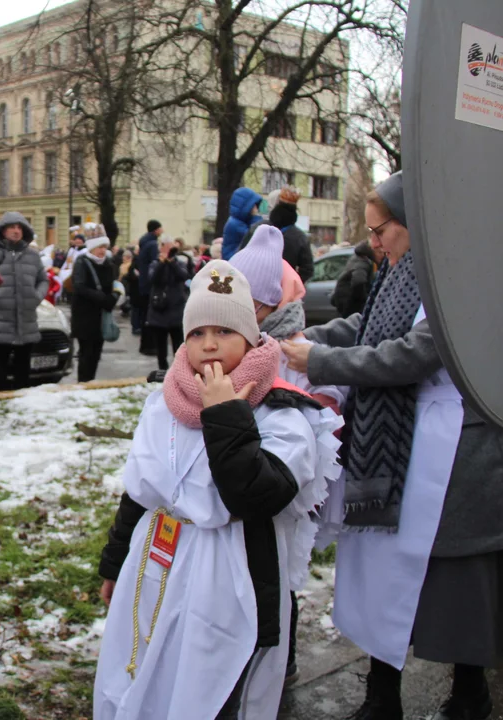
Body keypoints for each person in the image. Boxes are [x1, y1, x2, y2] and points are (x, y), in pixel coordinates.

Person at [281, 172, 503, 720]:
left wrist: (319, 361)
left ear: (416, 225)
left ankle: (470, 695)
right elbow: (368, 325)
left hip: (458, 459)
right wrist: (307, 337)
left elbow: (412, 352)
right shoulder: (401, 273)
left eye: (382, 231)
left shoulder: (459, 277)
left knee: (461, 586)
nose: (374, 243)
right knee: (387, 577)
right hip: (403, 451)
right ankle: (383, 697)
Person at [94, 259, 342, 720]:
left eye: (224, 332)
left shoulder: (282, 416)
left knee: (212, 693)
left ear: (250, 338)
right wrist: (114, 562)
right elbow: (140, 492)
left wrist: (226, 414)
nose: (208, 345)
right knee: (147, 672)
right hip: (155, 563)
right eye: (196, 333)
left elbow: (255, 495)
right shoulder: (164, 404)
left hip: (228, 576)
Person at [229, 223, 348, 685]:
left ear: (267, 304)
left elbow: (327, 405)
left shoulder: (294, 349)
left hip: (283, 491)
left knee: (276, 577)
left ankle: (280, 659)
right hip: (237, 479)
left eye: (246, 301)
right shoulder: (239, 339)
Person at [0, 212, 48, 390]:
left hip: (27, 321)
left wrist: (36, 297)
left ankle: (22, 400)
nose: (16, 231)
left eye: (19, 227)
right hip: (0, 322)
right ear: (3, 231)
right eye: (11, 227)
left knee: (23, 368)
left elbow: (43, 280)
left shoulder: (33, 256)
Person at [71, 236, 121, 383]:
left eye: (105, 247)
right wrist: (102, 298)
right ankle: (83, 383)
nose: (103, 250)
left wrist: (114, 296)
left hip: (102, 315)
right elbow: (79, 286)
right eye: (100, 247)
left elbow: (114, 283)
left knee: (96, 353)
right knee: (86, 352)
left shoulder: (109, 264)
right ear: (92, 248)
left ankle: (91, 381)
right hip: (84, 316)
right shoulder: (82, 262)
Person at [240, 187, 314, 282]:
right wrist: (291, 284)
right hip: (282, 289)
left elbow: (241, 256)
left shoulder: (257, 228)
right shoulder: (300, 238)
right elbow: (307, 270)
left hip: (255, 286)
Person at [145, 235, 190, 373]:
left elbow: (183, 276)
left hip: (176, 310)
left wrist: (171, 262)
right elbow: (152, 278)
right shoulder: (155, 264)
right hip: (159, 310)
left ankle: (179, 371)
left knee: (178, 345)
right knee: (161, 346)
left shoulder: (180, 263)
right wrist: (162, 263)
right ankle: (162, 370)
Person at [331, 239, 383, 317]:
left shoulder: (360, 258)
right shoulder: (362, 261)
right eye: (380, 252)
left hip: (345, 300)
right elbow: (358, 281)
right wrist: (365, 301)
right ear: (374, 250)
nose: (382, 256)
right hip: (349, 303)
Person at [136, 220, 163, 355]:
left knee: (144, 316)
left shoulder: (144, 243)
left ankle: (145, 345)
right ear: (156, 230)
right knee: (151, 316)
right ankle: (150, 346)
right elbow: (155, 264)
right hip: (150, 285)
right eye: (160, 228)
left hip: (142, 284)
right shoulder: (153, 245)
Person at [222, 187, 263, 260]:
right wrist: (255, 216)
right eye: (253, 205)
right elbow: (255, 235)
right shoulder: (235, 224)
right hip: (233, 260)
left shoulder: (239, 221)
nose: (256, 208)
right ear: (246, 206)